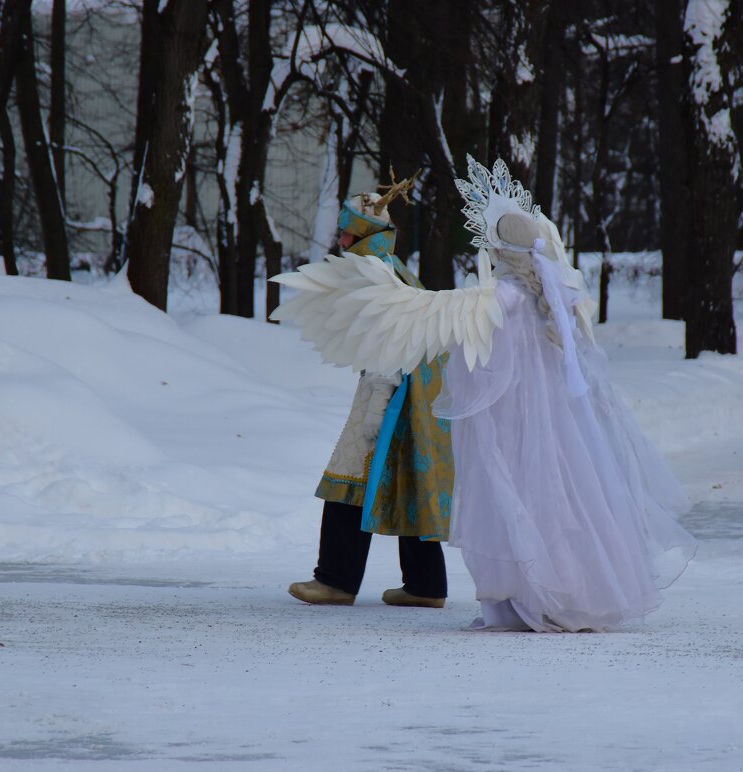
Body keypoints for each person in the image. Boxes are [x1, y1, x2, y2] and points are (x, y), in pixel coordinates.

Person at [273, 156, 695, 631]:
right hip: (559, 426)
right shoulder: (564, 297)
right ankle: (571, 590)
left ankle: (531, 598)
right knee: (563, 499)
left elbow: (461, 345)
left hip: (515, 420)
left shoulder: (501, 298)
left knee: (519, 501)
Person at [285, 174, 453, 609]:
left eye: (347, 230)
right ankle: (425, 584)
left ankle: (336, 580)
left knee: (348, 481)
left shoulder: (373, 278)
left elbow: (387, 349)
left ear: (365, 234)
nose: (340, 238)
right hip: (415, 399)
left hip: (388, 396)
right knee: (409, 482)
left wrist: (374, 416)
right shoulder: (397, 272)